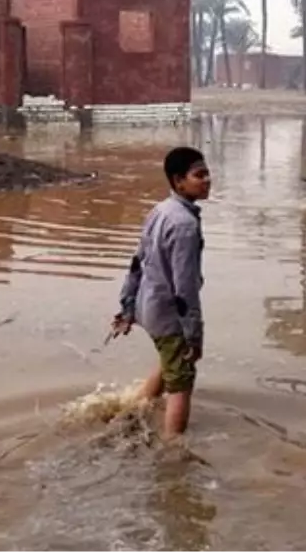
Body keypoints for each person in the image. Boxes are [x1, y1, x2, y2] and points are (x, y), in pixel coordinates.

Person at [109, 147, 211, 438]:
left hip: (148, 306)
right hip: (168, 313)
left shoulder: (160, 210)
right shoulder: (185, 225)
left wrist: (128, 307)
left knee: (172, 361)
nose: (207, 180)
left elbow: (136, 261)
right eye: (199, 175)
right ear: (179, 181)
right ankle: (172, 452)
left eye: (207, 173)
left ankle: (134, 409)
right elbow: (185, 289)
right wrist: (194, 335)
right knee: (182, 382)